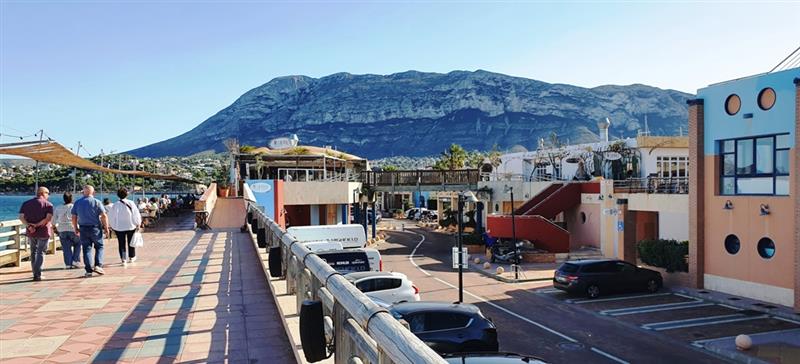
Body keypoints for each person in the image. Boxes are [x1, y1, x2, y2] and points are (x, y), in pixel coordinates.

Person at [71, 185, 110, 277]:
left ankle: (88, 270)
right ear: (93, 192)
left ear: (83, 192)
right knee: (99, 246)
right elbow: (104, 216)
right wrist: (106, 228)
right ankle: (98, 265)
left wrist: (75, 227)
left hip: (83, 228)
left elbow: (74, 216)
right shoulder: (97, 202)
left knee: (86, 249)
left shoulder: (77, 203)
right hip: (95, 227)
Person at [18, 187, 54, 281]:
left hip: (31, 232)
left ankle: (35, 273)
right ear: (42, 193)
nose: (48, 195)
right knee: (41, 252)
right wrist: (37, 225)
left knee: (33, 252)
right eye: (48, 193)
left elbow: (21, 217)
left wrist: (29, 226)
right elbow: (48, 218)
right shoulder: (48, 204)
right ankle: (38, 274)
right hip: (43, 232)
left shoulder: (26, 204)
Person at [108, 188, 142, 266]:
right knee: (131, 242)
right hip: (130, 225)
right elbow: (136, 214)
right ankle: (132, 256)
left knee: (121, 243)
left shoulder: (115, 204)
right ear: (127, 194)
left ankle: (123, 259)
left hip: (119, 227)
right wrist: (138, 223)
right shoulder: (131, 203)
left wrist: (113, 226)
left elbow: (111, 216)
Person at [53, 192, 81, 269]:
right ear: (72, 198)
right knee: (78, 244)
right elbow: (79, 218)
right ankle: (75, 260)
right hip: (73, 228)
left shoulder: (58, 207)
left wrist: (54, 228)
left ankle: (68, 264)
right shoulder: (75, 206)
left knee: (66, 248)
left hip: (62, 229)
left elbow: (53, 220)